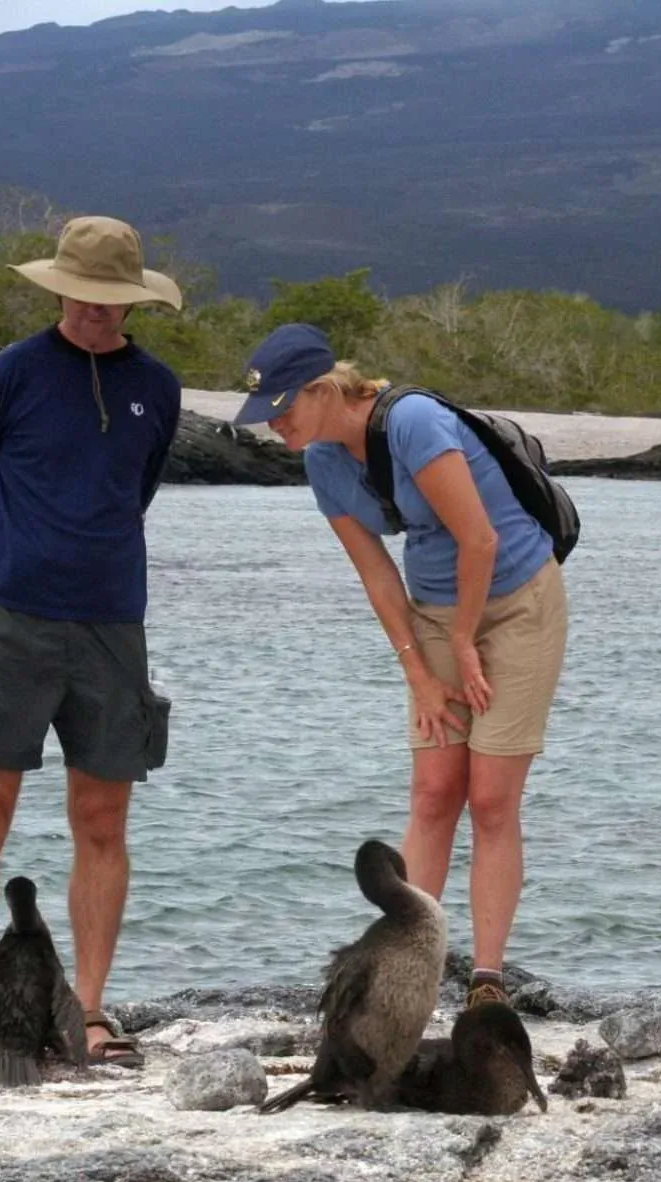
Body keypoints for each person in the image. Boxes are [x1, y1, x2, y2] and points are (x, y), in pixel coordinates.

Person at [231, 323, 568, 1011]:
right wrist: (418, 670)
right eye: (266, 417)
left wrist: (468, 639)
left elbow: (480, 538)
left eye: (284, 410)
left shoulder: (412, 421)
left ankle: (487, 982)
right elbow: (376, 574)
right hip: (436, 612)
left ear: (325, 389)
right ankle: (404, 968)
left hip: (517, 601)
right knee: (434, 789)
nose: (275, 427)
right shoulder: (320, 461)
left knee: (493, 799)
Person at [0, 215, 182, 1065]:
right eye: (83, 295)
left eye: (112, 300)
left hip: (114, 623)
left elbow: (134, 491)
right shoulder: (5, 377)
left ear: (131, 302)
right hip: (9, 615)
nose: (95, 312)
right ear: (59, 289)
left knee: (103, 819)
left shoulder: (159, 384)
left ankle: (90, 1008)